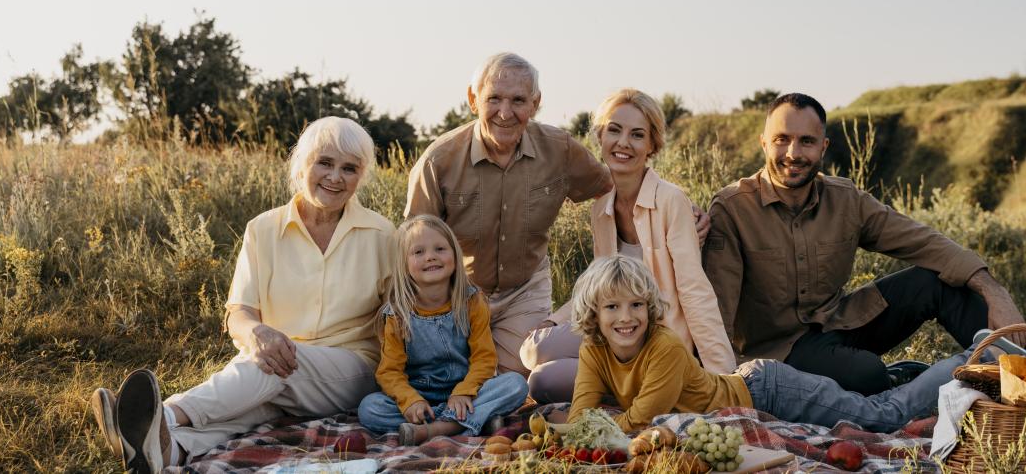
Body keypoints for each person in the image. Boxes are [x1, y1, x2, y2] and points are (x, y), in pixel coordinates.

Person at [89, 117, 397, 473]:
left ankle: (166, 414)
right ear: (302, 164)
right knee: (251, 404)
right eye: (325, 163)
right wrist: (257, 332)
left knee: (275, 367)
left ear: (362, 176)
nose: (335, 177)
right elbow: (239, 312)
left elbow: (402, 313)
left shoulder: (382, 234)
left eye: (349, 168)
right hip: (269, 363)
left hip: (349, 368)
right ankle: (167, 450)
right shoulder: (263, 229)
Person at [406, 53, 709, 376]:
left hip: (524, 292)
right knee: (447, 375)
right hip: (458, 292)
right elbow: (410, 250)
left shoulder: (559, 149)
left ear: (535, 103)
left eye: (518, 100)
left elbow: (615, 181)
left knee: (515, 376)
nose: (505, 113)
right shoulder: (438, 161)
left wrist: (678, 207)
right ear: (473, 99)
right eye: (494, 98)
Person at [703, 93, 1026, 395]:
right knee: (866, 374)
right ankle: (900, 384)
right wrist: (732, 389)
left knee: (939, 283)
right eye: (781, 140)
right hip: (781, 349)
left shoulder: (846, 199)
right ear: (763, 143)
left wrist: (994, 291)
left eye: (806, 141)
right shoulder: (733, 208)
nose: (793, 153)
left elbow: (924, 242)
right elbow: (717, 309)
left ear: (823, 147)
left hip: (839, 322)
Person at [568, 255, 972, 433]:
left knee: (883, 417)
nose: (627, 318)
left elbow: (639, 420)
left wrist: (596, 426)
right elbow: (578, 418)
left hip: (767, 392)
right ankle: (911, 375)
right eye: (613, 307)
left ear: (649, 306)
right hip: (752, 388)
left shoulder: (664, 346)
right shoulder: (593, 351)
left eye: (637, 305)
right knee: (877, 406)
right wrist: (585, 426)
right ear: (594, 312)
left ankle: (977, 355)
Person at [522, 89, 734, 402]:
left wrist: (723, 384)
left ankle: (651, 386)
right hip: (613, 332)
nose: (623, 143)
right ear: (600, 135)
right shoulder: (601, 208)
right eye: (614, 130)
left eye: (637, 135)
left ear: (652, 145)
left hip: (655, 342)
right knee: (538, 368)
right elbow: (598, 286)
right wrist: (554, 320)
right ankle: (626, 389)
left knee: (545, 372)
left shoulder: (671, 201)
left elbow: (694, 290)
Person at [357, 215, 529, 444]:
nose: (431, 257)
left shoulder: (471, 301)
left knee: (516, 384)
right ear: (404, 264)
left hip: (468, 391)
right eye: (418, 252)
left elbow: (484, 358)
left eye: (440, 249)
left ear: (455, 257)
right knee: (370, 408)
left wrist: (463, 392)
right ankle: (471, 422)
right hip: (421, 397)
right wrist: (411, 401)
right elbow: (389, 372)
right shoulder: (397, 314)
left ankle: (435, 429)